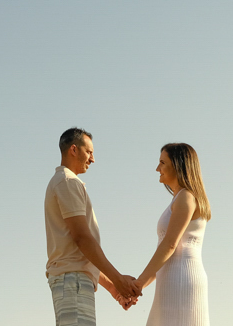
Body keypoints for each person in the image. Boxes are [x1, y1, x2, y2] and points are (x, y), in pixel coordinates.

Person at [45, 127, 143, 325]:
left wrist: (114, 289)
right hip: (72, 282)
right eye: (89, 152)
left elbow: (79, 255)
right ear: (74, 149)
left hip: (75, 281)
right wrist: (117, 279)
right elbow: (82, 239)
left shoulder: (66, 182)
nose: (93, 159)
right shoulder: (67, 182)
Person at [135, 143, 211, 326]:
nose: (157, 169)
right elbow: (166, 253)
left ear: (178, 165)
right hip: (170, 277)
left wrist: (137, 285)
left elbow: (170, 245)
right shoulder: (180, 198)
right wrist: (140, 286)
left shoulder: (186, 197)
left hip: (181, 277)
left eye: (162, 162)